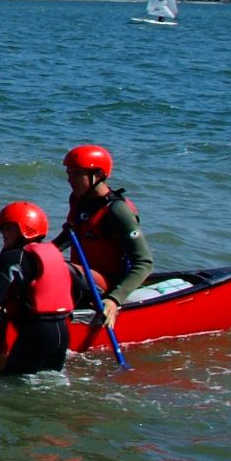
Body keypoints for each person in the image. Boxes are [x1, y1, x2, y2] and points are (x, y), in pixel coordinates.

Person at [60, 143, 153, 340]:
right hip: (81, 277)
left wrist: (113, 300)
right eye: (68, 174)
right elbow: (69, 236)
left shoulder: (118, 211)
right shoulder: (77, 199)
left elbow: (144, 263)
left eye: (77, 174)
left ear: (99, 175)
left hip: (105, 285)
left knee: (60, 269)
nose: (70, 180)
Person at [0, 201, 74, 377]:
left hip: (38, 333)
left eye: (8, 228)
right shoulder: (53, 253)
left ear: (25, 229)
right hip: (62, 332)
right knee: (48, 382)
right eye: (2, 229)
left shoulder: (15, 256)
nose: (3, 234)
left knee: (11, 384)